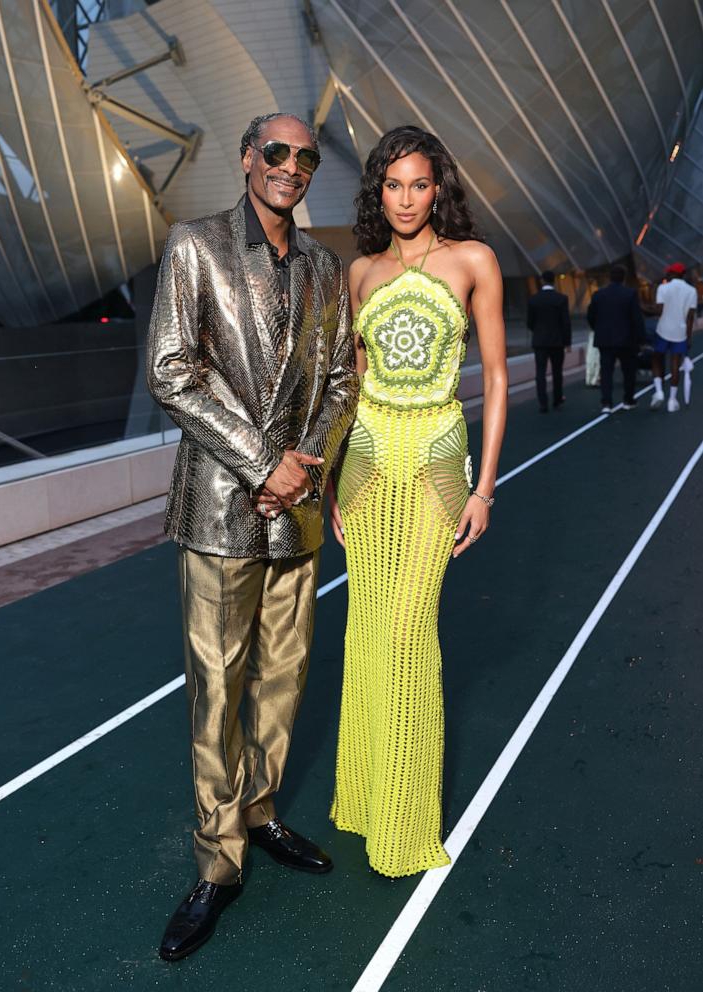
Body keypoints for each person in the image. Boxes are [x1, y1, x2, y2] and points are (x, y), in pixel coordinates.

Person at [147, 112, 359, 960]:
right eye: (276, 152)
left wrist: (307, 465)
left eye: (305, 158)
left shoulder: (322, 266)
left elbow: (343, 376)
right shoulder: (194, 245)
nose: (291, 168)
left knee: (283, 679)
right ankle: (217, 862)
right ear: (247, 159)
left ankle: (261, 813)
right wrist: (262, 463)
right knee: (216, 692)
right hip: (221, 509)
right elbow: (170, 369)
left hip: (296, 511)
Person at [326, 125, 507, 877]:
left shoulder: (473, 260)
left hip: (435, 464)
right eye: (392, 185)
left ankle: (403, 824)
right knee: (365, 633)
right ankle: (363, 801)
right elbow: (355, 384)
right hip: (365, 467)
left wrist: (484, 486)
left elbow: (494, 379)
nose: (405, 198)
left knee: (406, 637)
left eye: (419, 184)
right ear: (378, 191)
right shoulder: (360, 271)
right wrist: (335, 476)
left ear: (440, 189)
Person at [587, 264, 645, 412]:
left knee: (606, 372)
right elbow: (636, 318)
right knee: (628, 371)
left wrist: (598, 329)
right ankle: (628, 400)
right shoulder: (630, 294)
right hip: (626, 339)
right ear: (623, 278)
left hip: (605, 339)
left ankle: (606, 402)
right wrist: (641, 339)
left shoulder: (598, 294)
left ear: (610, 278)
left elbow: (591, 316)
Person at [647, 262, 697, 412]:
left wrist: (643, 307)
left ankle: (659, 391)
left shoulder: (663, 288)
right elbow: (690, 317)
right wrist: (688, 337)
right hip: (680, 332)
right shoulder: (691, 291)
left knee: (656, 358)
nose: (667, 275)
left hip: (663, 330)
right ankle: (672, 400)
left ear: (673, 274)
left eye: (669, 273)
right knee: (675, 364)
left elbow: (659, 310)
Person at [526, 270, 571, 412]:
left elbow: (530, 322)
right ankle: (557, 399)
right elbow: (566, 322)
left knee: (540, 373)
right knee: (557, 372)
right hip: (557, 341)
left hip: (539, 341)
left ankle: (543, 403)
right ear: (554, 281)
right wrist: (567, 342)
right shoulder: (561, 298)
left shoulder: (533, 299)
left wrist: (538, 332)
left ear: (542, 281)